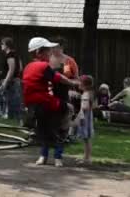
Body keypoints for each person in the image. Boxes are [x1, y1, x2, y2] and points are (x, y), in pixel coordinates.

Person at [22, 37, 79, 168]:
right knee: (66, 113)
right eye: (48, 51)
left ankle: (49, 155)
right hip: (45, 101)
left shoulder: (29, 66)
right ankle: (59, 141)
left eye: (52, 49)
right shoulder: (43, 66)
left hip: (41, 101)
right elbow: (58, 78)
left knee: (47, 126)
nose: (51, 52)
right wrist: (72, 83)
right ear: (38, 53)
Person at [0, 37, 22, 121]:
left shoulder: (10, 55)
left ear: (7, 45)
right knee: (15, 101)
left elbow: (11, 69)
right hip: (15, 80)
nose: (1, 45)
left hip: (9, 81)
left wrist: (5, 82)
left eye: (2, 44)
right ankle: (18, 120)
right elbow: (20, 68)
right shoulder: (16, 54)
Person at [76, 75, 95, 165]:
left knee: (86, 139)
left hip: (84, 117)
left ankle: (87, 159)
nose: (78, 83)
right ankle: (86, 157)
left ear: (84, 85)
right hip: (88, 116)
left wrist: (81, 114)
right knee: (87, 139)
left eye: (80, 82)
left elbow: (85, 106)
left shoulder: (85, 94)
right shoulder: (89, 93)